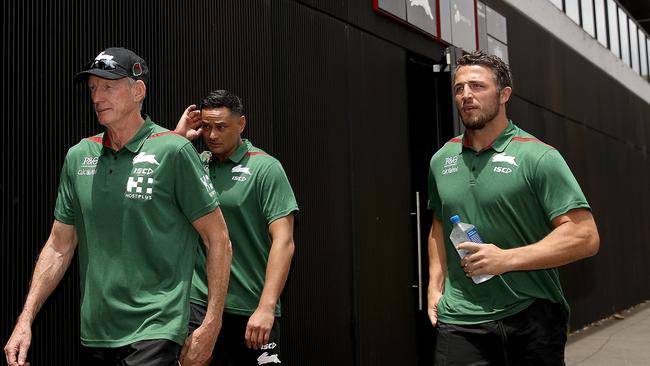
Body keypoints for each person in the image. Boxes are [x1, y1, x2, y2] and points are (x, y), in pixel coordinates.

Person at [3, 47, 232, 366]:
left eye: (108, 86)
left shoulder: (174, 151)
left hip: (156, 329)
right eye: (93, 88)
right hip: (96, 334)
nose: (97, 96)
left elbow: (218, 239)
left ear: (138, 91)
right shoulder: (79, 156)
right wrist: (24, 320)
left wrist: (211, 324)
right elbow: (58, 247)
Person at [426, 50, 600, 365]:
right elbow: (439, 226)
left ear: (504, 94)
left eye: (477, 86)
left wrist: (505, 259)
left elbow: (584, 236)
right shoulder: (441, 160)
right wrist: (434, 289)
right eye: (459, 88)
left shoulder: (539, 157)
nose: (466, 95)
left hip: (531, 316)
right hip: (461, 319)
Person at [175, 90, 298, 365]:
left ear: (241, 124)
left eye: (221, 127)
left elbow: (284, 242)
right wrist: (178, 138)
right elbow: (153, 171)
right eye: (206, 127)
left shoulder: (266, 168)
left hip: (250, 309)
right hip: (199, 304)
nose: (213, 135)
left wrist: (266, 307)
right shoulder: (195, 166)